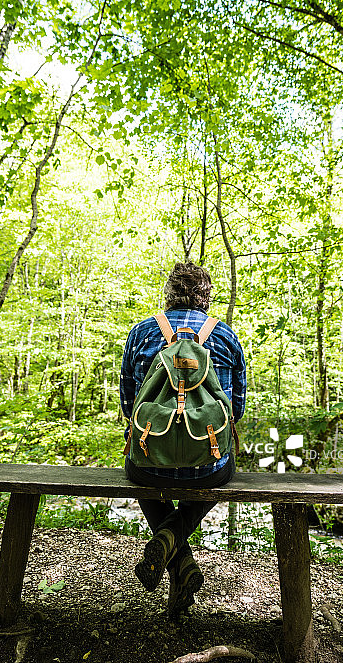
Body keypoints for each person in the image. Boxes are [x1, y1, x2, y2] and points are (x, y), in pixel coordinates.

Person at [120, 262, 246, 617]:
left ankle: (172, 546)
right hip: (208, 465)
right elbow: (235, 410)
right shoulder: (225, 336)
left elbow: (130, 404)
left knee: (136, 463)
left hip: (149, 463)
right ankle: (175, 543)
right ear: (206, 297)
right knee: (223, 464)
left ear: (169, 293)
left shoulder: (142, 332)